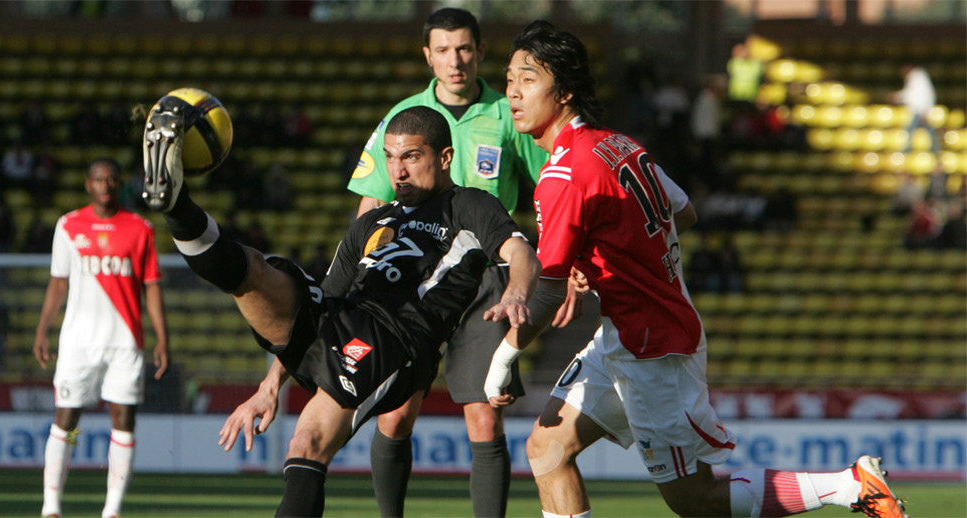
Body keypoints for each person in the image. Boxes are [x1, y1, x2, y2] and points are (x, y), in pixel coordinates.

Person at [484, 21, 907, 518]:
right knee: (547, 450)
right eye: (510, 78)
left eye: (529, 78)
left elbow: (549, 289)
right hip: (626, 334)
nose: (513, 91)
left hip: (652, 352)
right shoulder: (619, 145)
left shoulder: (564, 174)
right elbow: (683, 212)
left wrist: (502, 361)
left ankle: (850, 485)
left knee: (696, 502)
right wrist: (603, 256)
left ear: (566, 90)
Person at [141, 104, 540, 517]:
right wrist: (269, 386)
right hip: (340, 316)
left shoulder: (468, 205)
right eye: (389, 157)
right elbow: (327, 294)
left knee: (307, 444)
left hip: (394, 340)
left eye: (411, 157)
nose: (397, 171)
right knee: (260, 270)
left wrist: (514, 292)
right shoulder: (372, 221)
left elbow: (521, 253)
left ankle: (177, 207)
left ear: (444, 158)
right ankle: (175, 205)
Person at [345, 8, 547, 517]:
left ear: (480, 51)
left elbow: (549, 191)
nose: (454, 61)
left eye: (464, 49)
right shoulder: (404, 116)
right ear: (427, 56)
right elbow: (371, 206)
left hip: (484, 279)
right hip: (412, 278)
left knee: (484, 419)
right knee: (396, 417)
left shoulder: (510, 113)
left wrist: (568, 264)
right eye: (443, 50)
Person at [33, 158, 170, 518]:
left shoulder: (140, 228)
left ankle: (112, 510)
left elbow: (152, 287)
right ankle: (51, 507)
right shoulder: (68, 225)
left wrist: (163, 338)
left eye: (111, 179)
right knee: (67, 417)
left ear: (119, 183)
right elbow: (58, 282)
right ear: (87, 184)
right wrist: (42, 327)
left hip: (125, 341)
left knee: (123, 419)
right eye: (98, 179)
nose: (105, 185)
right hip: (78, 341)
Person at [892, 64, 939, 155]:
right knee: (928, 133)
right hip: (920, 110)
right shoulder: (919, 77)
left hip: (919, 111)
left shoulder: (916, 77)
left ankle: (907, 153)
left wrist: (897, 97)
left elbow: (912, 95)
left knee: (910, 131)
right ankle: (935, 153)